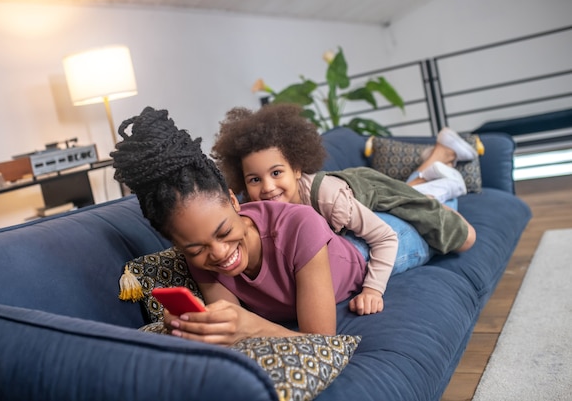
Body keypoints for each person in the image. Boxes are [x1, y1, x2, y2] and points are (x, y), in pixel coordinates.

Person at [111, 106, 397, 347]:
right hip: (328, 242)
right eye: (196, 248)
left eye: (223, 232)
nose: (219, 253)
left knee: (419, 221)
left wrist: (252, 326)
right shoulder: (201, 257)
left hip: (358, 256)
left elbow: (320, 343)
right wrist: (195, 326)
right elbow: (232, 331)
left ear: (235, 201)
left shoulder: (301, 225)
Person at [211, 103, 477, 276]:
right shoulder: (254, 209)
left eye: (276, 173)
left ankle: (445, 180)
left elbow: (384, 237)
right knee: (406, 193)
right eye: (254, 180)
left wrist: (373, 289)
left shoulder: (328, 198)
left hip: (369, 192)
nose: (267, 188)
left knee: (460, 235)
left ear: (296, 168)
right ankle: (438, 156)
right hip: (348, 197)